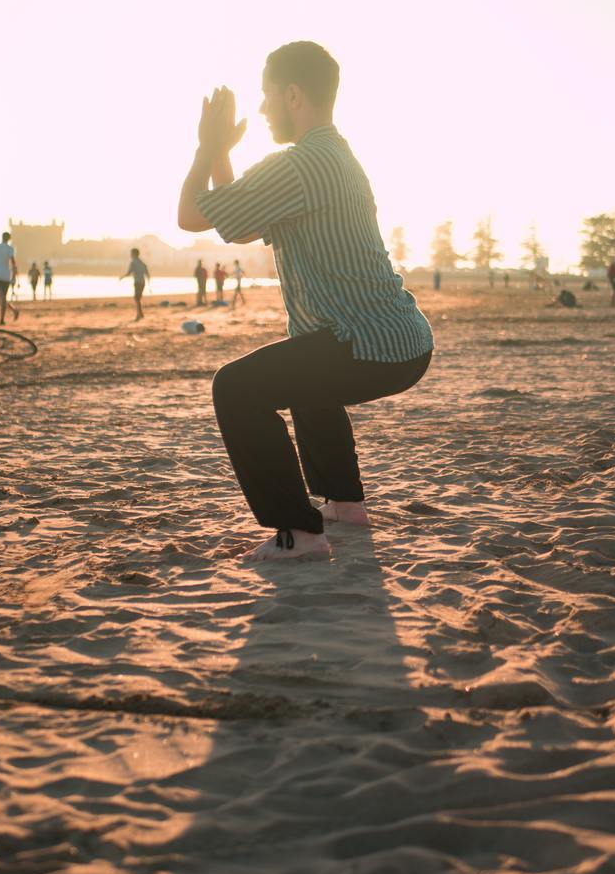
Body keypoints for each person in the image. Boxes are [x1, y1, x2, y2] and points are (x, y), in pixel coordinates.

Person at [177, 41, 434, 562]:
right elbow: (241, 223)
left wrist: (207, 146)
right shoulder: (335, 157)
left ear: (292, 94)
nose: (263, 107)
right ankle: (344, 505)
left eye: (267, 95)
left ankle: (299, 533)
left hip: (369, 345)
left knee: (236, 388)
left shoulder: (298, 165)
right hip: (403, 341)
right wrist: (224, 154)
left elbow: (190, 216)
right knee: (304, 365)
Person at [120, 247, 149, 321]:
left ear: (134, 254)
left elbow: (129, 273)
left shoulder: (133, 262)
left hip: (137, 282)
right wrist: (149, 284)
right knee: (138, 298)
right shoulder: (142, 263)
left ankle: (139, 315)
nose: (130, 255)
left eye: (131, 253)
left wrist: (122, 277)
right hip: (143, 282)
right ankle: (140, 314)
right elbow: (147, 274)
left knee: (137, 298)